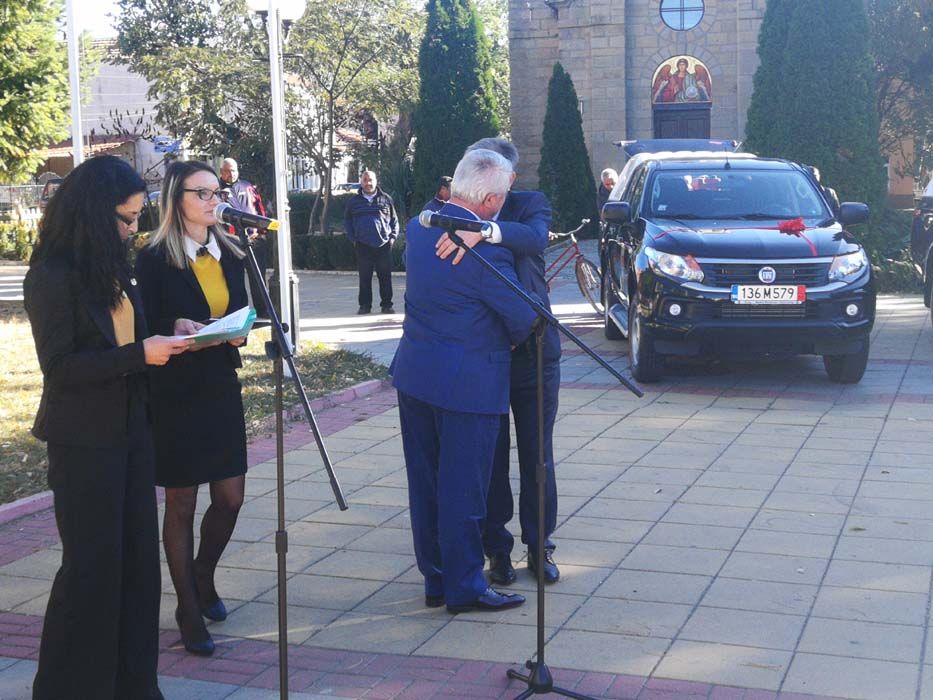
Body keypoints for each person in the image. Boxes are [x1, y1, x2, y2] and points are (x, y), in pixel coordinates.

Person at [24, 155, 193, 700]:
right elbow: (63, 368)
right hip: (84, 443)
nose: (134, 229)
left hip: (131, 434)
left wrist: (169, 330)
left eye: (139, 217)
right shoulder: (51, 274)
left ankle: (134, 687)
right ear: (94, 214)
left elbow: (126, 338)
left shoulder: (114, 265)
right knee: (91, 574)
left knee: (137, 571)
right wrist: (140, 354)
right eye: (125, 219)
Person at [391, 149, 537, 613]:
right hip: (469, 387)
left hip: (416, 376)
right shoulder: (488, 252)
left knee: (426, 484)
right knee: (463, 491)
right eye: (502, 197)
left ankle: (435, 579)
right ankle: (466, 586)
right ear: (490, 201)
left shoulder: (419, 227)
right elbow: (523, 317)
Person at [135, 160, 251, 657]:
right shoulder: (154, 257)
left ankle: (202, 575)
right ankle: (186, 604)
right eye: (201, 192)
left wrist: (240, 327)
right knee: (181, 502)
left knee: (230, 498)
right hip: (175, 391)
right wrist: (176, 323)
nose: (212, 199)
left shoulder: (231, 250)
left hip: (220, 383)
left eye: (215, 191)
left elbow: (245, 312)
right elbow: (144, 322)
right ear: (174, 198)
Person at [435, 137, 560, 586]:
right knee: (491, 458)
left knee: (537, 455)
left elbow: (536, 238)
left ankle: (539, 544)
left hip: (534, 351)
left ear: (509, 179)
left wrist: (485, 231)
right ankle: (497, 549)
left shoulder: (528, 205)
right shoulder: (453, 212)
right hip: (486, 355)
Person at [219, 157, 269, 316]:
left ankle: (263, 313)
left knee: (258, 279)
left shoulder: (247, 186)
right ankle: (238, 314)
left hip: (254, 241)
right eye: (227, 171)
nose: (230, 174)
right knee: (235, 280)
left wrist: (262, 232)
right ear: (221, 172)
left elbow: (259, 208)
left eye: (233, 170)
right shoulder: (217, 190)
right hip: (231, 243)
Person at [344, 170, 399, 314]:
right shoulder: (353, 202)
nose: (368, 183)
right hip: (362, 245)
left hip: (383, 245)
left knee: (385, 277)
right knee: (364, 277)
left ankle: (387, 305)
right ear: (361, 182)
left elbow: (394, 221)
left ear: (376, 181)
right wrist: (353, 239)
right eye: (365, 180)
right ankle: (364, 306)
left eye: (371, 180)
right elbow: (347, 222)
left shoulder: (386, 199)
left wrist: (392, 238)